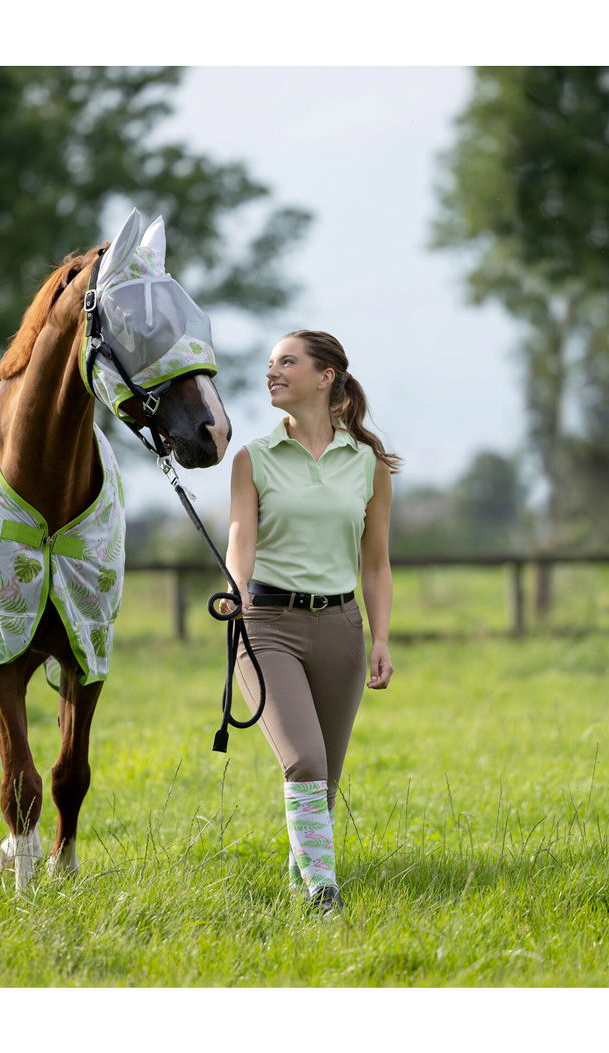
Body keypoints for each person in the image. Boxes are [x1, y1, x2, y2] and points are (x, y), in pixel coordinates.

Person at [224, 329, 400, 916]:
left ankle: (302, 876)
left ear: (325, 377)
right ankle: (325, 895)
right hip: (266, 624)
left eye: (287, 362)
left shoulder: (367, 464)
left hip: (342, 629)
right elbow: (240, 541)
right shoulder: (252, 457)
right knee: (303, 760)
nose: (272, 372)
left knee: (324, 782)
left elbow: (375, 564)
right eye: (270, 363)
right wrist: (233, 595)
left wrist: (381, 639)